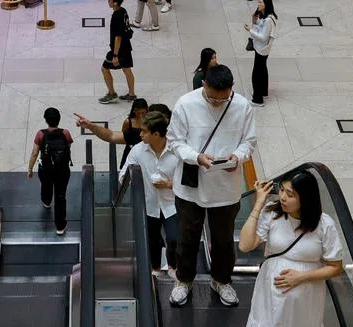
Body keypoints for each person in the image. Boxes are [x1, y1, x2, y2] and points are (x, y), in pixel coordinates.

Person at [167, 64, 257, 307]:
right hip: (191, 185)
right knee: (187, 237)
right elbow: (174, 141)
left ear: (231, 90)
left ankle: (221, 280)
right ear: (203, 85)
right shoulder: (186, 104)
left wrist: (237, 157)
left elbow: (249, 141)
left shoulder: (242, 106)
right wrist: (196, 157)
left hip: (226, 188)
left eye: (223, 99)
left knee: (224, 240)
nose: (218, 103)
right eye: (213, 99)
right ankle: (183, 280)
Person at [240, 173, 344, 327]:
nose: (282, 197)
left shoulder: (324, 224)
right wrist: (258, 204)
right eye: (281, 190)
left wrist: (301, 277)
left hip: (306, 296)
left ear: (305, 198)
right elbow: (245, 245)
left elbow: (336, 267)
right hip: (271, 291)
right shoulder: (272, 213)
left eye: (290, 194)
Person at [121, 111, 180, 275]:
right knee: (152, 240)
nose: (140, 135)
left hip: (172, 204)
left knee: (174, 238)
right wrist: (134, 181)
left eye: (144, 131)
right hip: (148, 205)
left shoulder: (177, 151)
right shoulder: (138, 151)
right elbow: (123, 176)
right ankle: (155, 268)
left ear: (156, 134)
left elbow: (189, 181)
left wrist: (169, 184)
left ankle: (173, 266)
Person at [75, 101, 174, 165]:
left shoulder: (177, 144)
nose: (141, 134)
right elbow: (111, 135)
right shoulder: (139, 137)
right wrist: (91, 126)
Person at [27, 107, 74, 235]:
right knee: (60, 196)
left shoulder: (41, 134)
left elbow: (34, 153)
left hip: (46, 169)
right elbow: (68, 147)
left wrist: (30, 169)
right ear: (59, 119)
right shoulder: (66, 133)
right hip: (62, 171)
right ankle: (60, 226)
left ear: (46, 120)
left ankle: (46, 201)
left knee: (46, 185)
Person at [98, 0, 137, 104]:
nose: (108, 1)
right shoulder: (123, 11)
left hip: (119, 49)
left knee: (104, 68)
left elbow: (118, 37)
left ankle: (111, 94)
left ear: (115, 3)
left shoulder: (116, 16)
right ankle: (131, 94)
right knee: (127, 69)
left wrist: (115, 55)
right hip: (127, 47)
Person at [245, 0, 278, 107]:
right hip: (263, 49)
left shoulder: (269, 20)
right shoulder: (268, 17)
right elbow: (262, 25)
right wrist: (256, 21)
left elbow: (263, 37)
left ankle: (257, 99)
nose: (258, 4)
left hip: (261, 49)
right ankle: (263, 92)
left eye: (260, 2)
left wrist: (250, 30)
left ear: (265, 4)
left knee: (257, 73)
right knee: (263, 69)